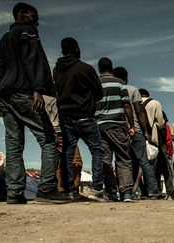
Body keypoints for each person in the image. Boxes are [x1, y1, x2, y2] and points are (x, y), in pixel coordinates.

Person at [0, 2, 69, 204]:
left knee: (14, 144)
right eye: (32, 15)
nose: (36, 20)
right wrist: (36, 89)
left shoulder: (4, 38)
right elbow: (31, 59)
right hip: (25, 93)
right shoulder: (27, 32)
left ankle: (14, 193)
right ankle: (46, 189)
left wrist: (2, 89)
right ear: (21, 14)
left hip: (5, 95)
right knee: (49, 139)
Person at [53, 37, 105, 201]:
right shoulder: (85, 68)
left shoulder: (57, 70)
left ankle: (70, 191)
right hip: (85, 115)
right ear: (77, 49)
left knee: (67, 155)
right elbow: (99, 93)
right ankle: (96, 189)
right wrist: (86, 100)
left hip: (65, 116)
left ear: (63, 51)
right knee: (97, 150)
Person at [112, 68, 161, 199]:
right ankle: (153, 191)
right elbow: (139, 112)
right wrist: (146, 132)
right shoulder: (133, 90)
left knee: (123, 162)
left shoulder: (112, 90)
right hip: (136, 130)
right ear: (126, 78)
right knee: (144, 162)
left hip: (119, 130)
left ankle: (126, 191)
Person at [95, 58, 136, 202]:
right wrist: (131, 125)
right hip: (118, 125)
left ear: (99, 69)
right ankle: (126, 193)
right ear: (111, 69)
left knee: (105, 160)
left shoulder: (94, 83)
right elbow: (126, 104)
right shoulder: (120, 83)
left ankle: (111, 192)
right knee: (123, 158)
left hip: (100, 126)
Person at [42, 96, 83, 196]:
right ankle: (62, 189)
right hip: (58, 131)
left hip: (65, 131)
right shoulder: (48, 97)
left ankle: (70, 188)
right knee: (63, 163)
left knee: (75, 162)